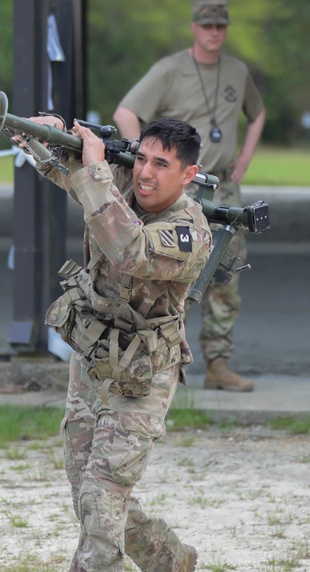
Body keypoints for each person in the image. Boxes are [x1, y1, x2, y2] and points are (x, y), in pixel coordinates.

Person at [13, 117, 211, 572]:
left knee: (102, 500)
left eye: (161, 165)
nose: (144, 174)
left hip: (143, 378)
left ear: (188, 174)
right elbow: (70, 173)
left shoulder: (189, 231)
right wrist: (41, 137)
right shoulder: (116, 183)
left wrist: (97, 168)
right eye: (141, 159)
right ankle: (171, 563)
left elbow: (127, 248)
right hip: (93, 361)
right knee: (89, 494)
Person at [113, 0, 266, 393]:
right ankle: (150, 363)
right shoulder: (170, 69)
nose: (214, 32)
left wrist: (245, 156)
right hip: (180, 187)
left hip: (223, 186)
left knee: (225, 274)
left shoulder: (236, 71)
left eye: (220, 26)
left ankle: (218, 362)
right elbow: (125, 112)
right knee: (162, 271)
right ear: (194, 27)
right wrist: (140, 159)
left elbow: (257, 113)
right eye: (206, 25)